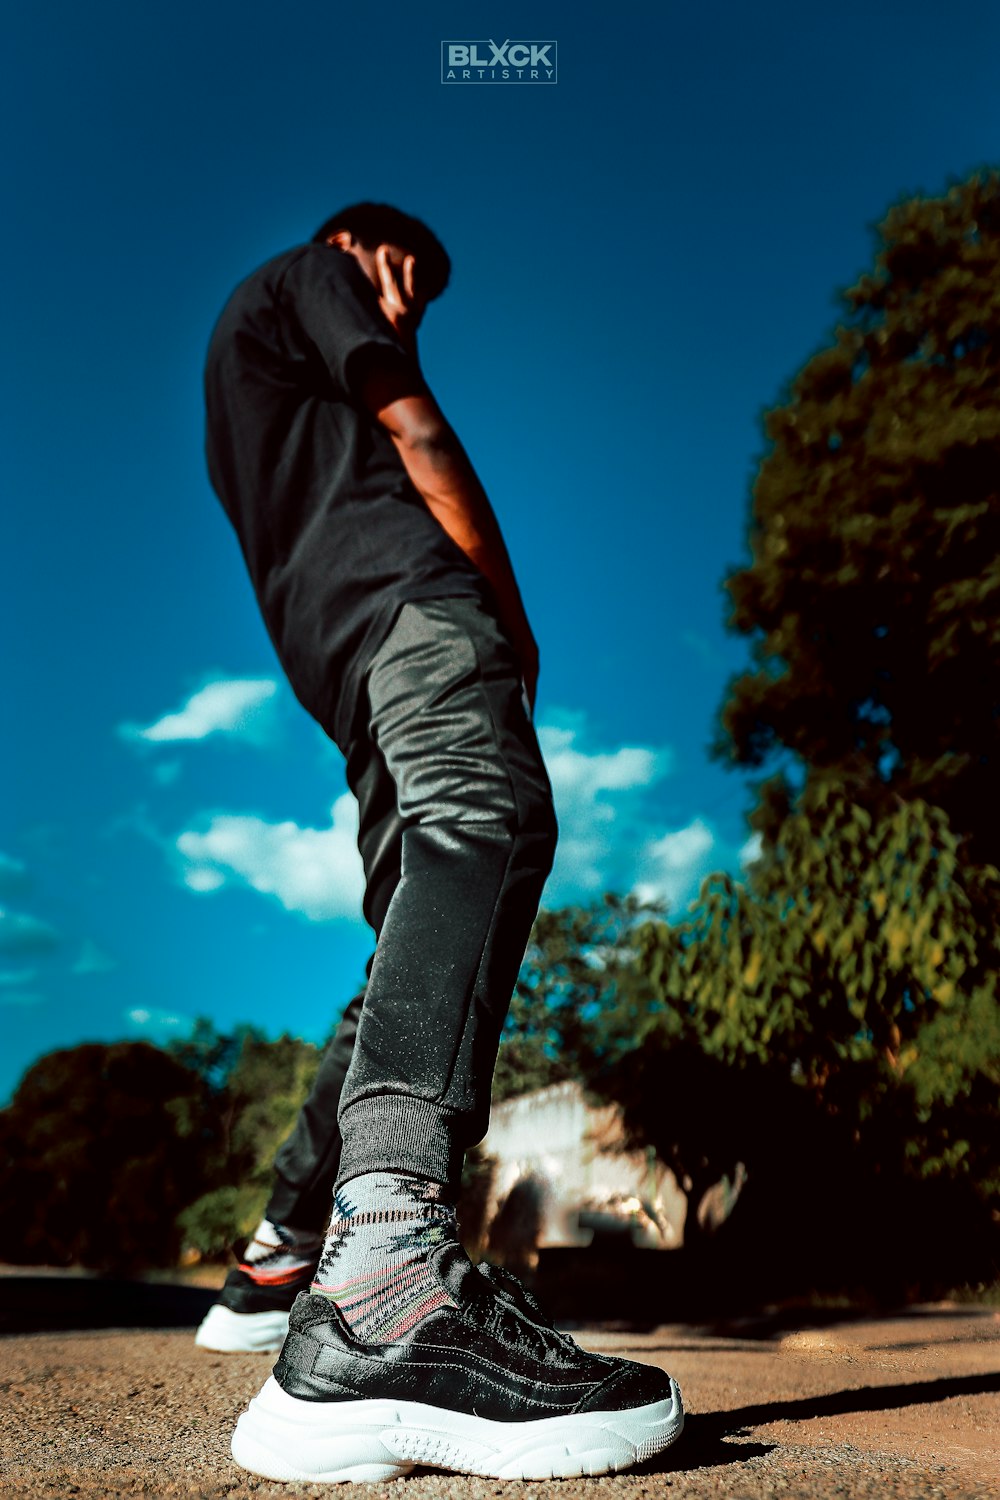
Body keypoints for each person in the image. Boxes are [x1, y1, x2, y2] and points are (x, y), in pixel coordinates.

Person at [198, 201, 684, 1482]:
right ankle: (389, 1277)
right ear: (356, 247)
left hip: (341, 655)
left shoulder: (240, 377)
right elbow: (413, 425)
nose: (407, 305)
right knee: (492, 820)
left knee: (410, 932)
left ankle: (283, 1259)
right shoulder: (307, 275)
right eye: (403, 274)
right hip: (411, 609)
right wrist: (511, 627)